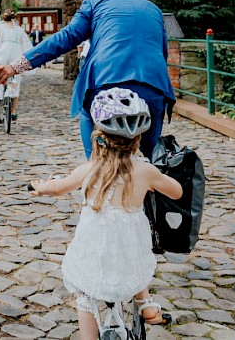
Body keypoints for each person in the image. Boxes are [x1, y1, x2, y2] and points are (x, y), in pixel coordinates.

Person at [30, 89, 182, 340]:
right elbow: (176, 192)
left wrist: (40, 186)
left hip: (95, 245)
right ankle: (147, 305)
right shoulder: (145, 171)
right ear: (137, 139)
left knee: (86, 296)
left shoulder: (89, 169)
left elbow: (57, 187)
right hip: (129, 242)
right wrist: (156, 181)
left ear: (99, 137)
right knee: (134, 264)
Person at [0, 0, 175, 159]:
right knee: (152, 151)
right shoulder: (153, 9)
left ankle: (94, 165)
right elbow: (162, 51)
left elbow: (65, 39)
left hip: (105, 83)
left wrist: (15, 66)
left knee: (88, 114)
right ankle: (156, 169)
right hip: (153, 85)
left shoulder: (94, 3)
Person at [0, 9, 33, 122]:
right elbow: (25, 43)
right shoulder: (18, 29)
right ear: (14, 18)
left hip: (3, 52)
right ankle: (13, 111)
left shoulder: (0, 27)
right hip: (16, 53)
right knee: (16, 78)